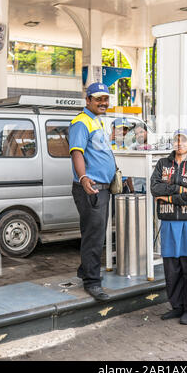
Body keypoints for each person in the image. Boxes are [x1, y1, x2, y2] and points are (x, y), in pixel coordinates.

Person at [150, 129, 187, 325]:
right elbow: (154, 188)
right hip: (168, 223)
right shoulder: (162, 164)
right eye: (176, 140)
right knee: (171, 268)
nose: (180, 143)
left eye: (184, 140)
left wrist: (169, 197)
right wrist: (180, 189)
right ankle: (176, 307)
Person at [69, 82, 116, 302]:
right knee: (94, 236)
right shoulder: (81, 122)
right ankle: (92, 282)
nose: (103, 102)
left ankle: (85, 270)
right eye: (98, 99)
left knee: (93, 233)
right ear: (88, 100)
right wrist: (84, 177)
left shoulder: (96, 121)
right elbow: (77, 153)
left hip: (102, 188)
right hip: (91, 187)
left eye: (105, 98)